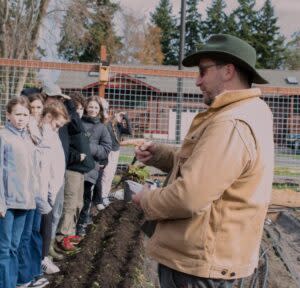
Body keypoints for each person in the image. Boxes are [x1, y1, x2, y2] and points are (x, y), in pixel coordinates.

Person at [133, 34, 274, 288]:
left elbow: (189, 197)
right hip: (210, 261)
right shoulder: (249, 112)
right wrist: (162, 156)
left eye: (203, 71)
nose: (197, 81)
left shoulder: (230, 123)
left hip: (199, 266)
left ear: (228, 71)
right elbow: (210, 170)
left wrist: (146, 199)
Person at [0, 97, 39, 288]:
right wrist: (0, 201)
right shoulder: (3, 137)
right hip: (7, 203)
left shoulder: (28, 138)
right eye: (17, 114)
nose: (21, 118)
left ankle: (14, 283)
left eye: (25, 114)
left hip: (25, 202)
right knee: (4, 249)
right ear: (8, 115)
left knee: (15, 248)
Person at [56, 92, 95, 251]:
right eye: (76, 108)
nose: (78, 112)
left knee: (78, 203)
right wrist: (76, 156)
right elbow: (63, 147)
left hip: (80, 170)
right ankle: (61, 236)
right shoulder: (67, 123)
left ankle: (70, 232)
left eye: (81, 109)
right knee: (70, 203)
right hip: (72, 168)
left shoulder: (77, 123)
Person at [76, 96, 111, 237]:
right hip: (74, 165)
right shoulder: (77, 123)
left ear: (100, 111)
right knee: (73, 198)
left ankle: (81, 225)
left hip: (90, 168)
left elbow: (106, 149)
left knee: (85, 197)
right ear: (85, 107)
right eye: (90, 106)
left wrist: (90, 148)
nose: (93, 110)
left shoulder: (102, 128)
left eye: (96, 107)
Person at [98, 100, 132, 209]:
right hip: (108, 152)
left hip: (116, 152)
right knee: (105, 174)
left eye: (122, 117)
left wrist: (126, 118)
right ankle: (101, 196)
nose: (120, 118)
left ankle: (105, 195)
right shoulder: (107, 124)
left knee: (111, 175)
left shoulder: (119, 127)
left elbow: (130, 131)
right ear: (114, 114)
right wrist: (115, 117)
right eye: (119, 116)